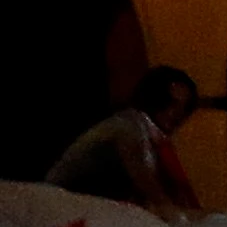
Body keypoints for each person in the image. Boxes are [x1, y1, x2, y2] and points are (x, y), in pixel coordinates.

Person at [43, 66, 200, 216]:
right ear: (153, 97)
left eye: (184, 107)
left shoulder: (151, 137)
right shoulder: (127, 128)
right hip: (58, 209)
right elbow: (150, 189)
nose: (177, 113)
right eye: (170, 102)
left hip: (85, 209)